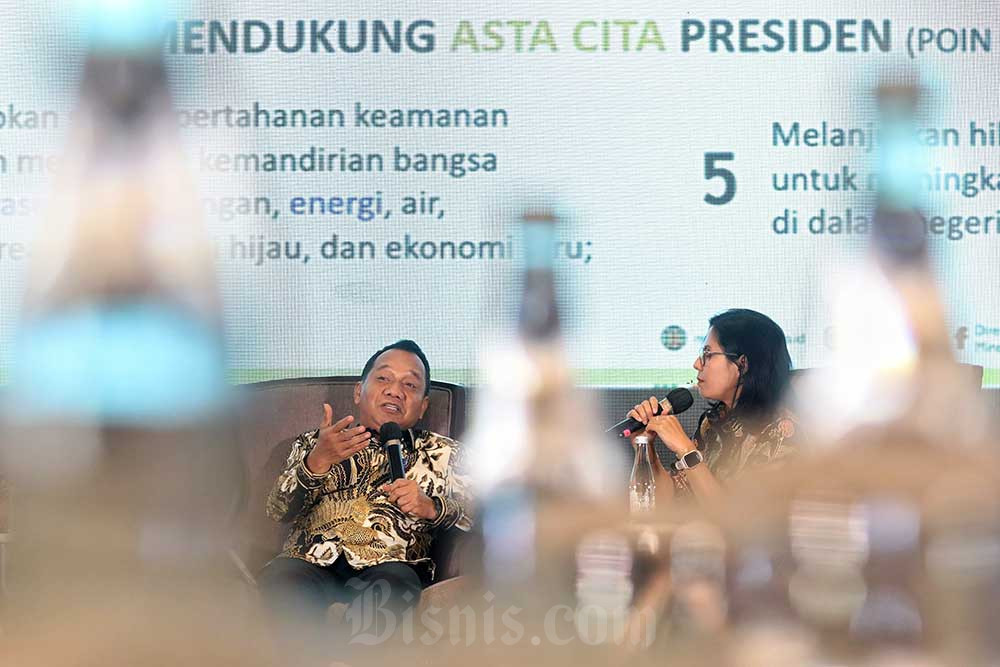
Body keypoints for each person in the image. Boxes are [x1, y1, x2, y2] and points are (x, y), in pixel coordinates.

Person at [258, 340, 471, 656]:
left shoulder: (444, 453)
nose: (395, 391)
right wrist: (316, 463)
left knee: (394, 584)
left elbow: (492, 515)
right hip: (308, 562)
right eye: (383, 378)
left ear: (423, 406)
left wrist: (432, 507)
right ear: (359, 392)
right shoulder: (314, 444)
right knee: (281, 578)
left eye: (410, 385)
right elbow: (277, 509)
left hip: (390, 567)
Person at [628, 309, 798, 505]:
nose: (697, 364)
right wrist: (646, 448)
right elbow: (670, 500)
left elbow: (740, 518)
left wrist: (686, 450)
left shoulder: (784, 433)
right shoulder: (715, 421)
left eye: (707, 354)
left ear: (743, 364)